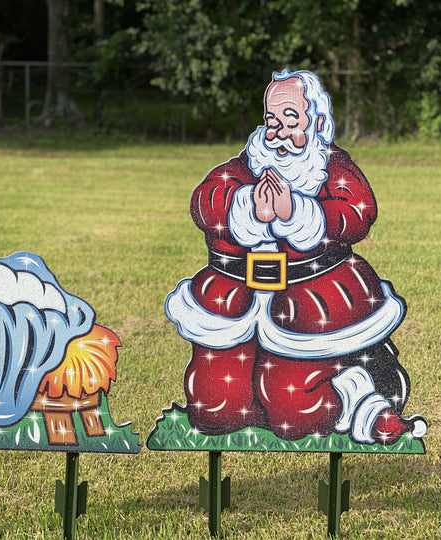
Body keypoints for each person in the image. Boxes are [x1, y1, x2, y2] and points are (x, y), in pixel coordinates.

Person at [166, 69, 426, 444]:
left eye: (291, 118)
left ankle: (355, 389)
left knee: (297, 413)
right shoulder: (247, 164)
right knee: (213, 409)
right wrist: (246, 207)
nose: (279, 131)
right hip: (233, 300)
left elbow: (357, 210)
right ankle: (254, 396)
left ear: (317, 121)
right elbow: (205, 200)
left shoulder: (331, 167)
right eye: (272, 120)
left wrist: (297, 213)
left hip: (310, 302)